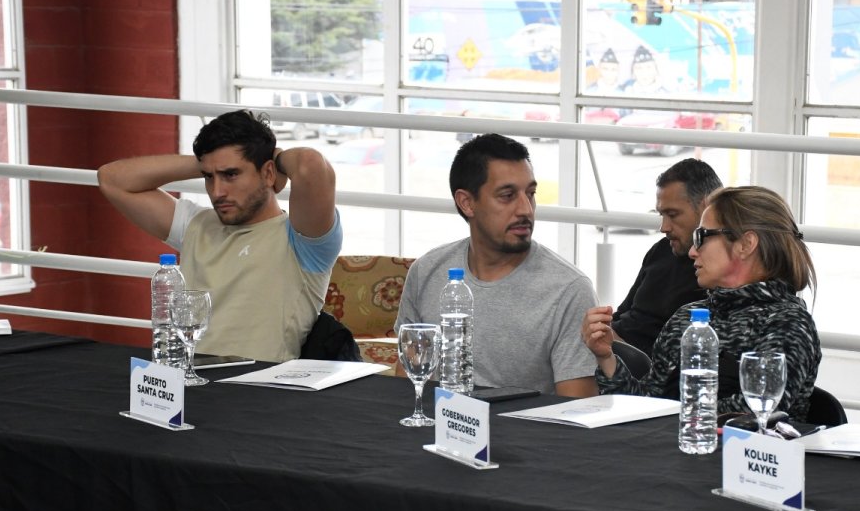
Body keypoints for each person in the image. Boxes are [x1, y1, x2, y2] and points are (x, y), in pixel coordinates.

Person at [97, 110, 341, 363]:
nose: (217, 191)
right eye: (208, 177)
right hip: (185, 379)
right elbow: (111, 179)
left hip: (258, 384)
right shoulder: (195, 224)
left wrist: (274, 158)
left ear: (268, 174)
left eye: (231, 174)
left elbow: (310, 164)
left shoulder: (303, 240)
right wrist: (209, 161)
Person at [582, 186, 821, 421]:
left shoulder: (788, 323)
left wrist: (673, 411)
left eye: (701, 237)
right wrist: (607, 358)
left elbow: (756, 412)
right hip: (670, 444)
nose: (692, 252)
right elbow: (647, 405)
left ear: (745, 244)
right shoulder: (687, 316)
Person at [397, 133, 598, 397]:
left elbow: (576, 409)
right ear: (467, 203)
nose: (526, 210)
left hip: (523, 425)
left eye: (531, 194)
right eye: (507, 196)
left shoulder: (569, 289)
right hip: (435, 420)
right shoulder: (427, 271)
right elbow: (405, 389)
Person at [610, 158, 723, 353]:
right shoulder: (661, 250)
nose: (664, 227)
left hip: (636, 363)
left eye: (673, 214)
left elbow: (675, 357)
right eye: (661, 215)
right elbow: (622, 315)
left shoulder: (719, 273)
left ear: (707, 207)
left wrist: (612, 346)